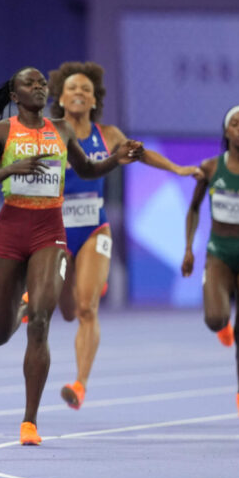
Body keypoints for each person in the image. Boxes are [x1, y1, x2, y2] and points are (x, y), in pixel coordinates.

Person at [0, 66, 143, 445]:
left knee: (42, 322)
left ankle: (30, 421)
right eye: (30, 84)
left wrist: (117, 160)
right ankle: (21, 308)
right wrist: (9, 169)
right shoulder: (2, 132)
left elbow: (89, 169)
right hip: (11, 230)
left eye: (43, 83)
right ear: (15, 96)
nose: (39, 87)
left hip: (49, 230)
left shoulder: (60, 130)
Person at [47, 61, 201, 410]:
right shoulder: (48, 133)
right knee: (68, 311)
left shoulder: (109, 134)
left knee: (87, 308)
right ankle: (74, 286)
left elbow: (142, 153)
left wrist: (177, 168)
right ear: (60, 97)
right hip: (55, 228)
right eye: (72, 88)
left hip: (93, 227)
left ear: (94, 100)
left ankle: (80, 385)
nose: (79, 93)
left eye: (86, 89)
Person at [181, 105, 239, 420]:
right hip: (219, 252)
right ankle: (220, 323)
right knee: (215, 319)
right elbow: (194, 208)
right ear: (226, 132)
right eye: (234, 124)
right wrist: (188, 249)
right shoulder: (210, 168)